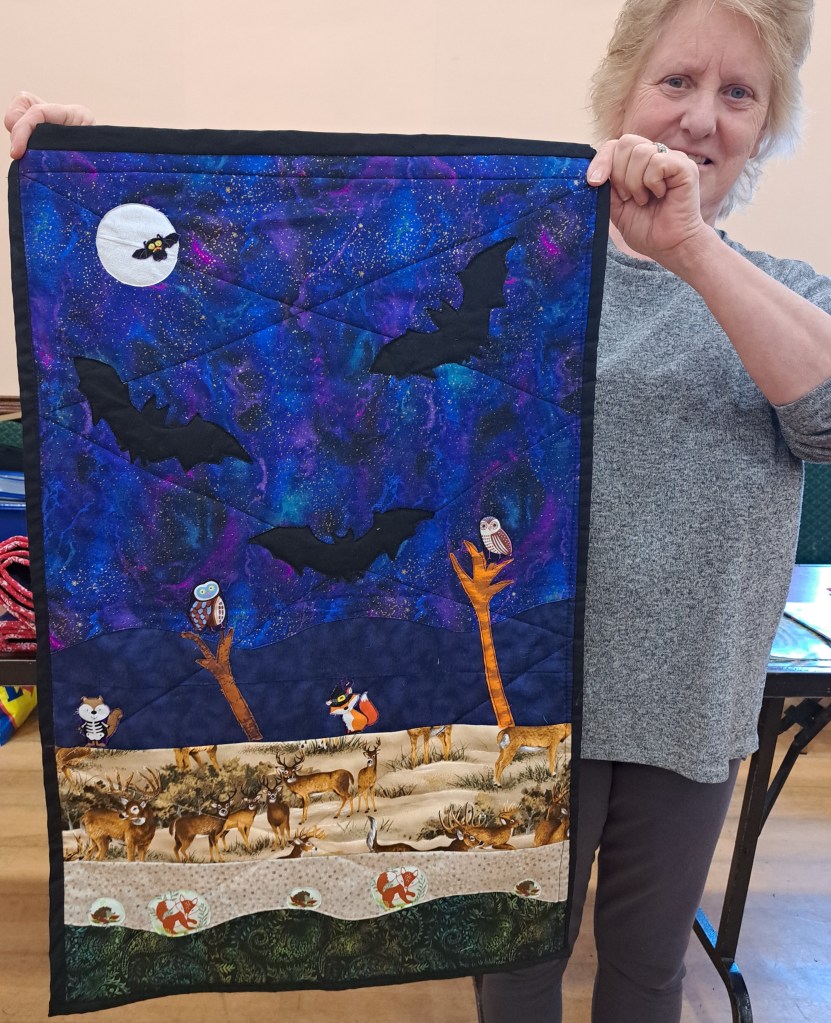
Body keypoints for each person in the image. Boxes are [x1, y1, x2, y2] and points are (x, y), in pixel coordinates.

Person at [5, 1, 831, 1018]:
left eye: (738, 92)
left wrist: (692, 248)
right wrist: (102, 181)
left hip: (686, 700)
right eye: (677, 81)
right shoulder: (532, 271)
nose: (702, 116)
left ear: (768, 123)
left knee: (649, 965)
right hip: (531, 693)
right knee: (515, 954)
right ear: (621, 92)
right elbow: (307, 271)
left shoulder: (784, 293)